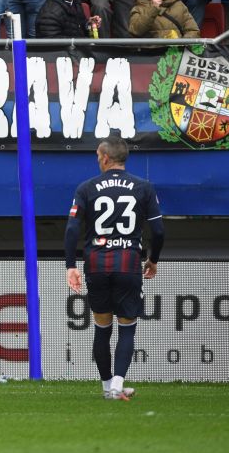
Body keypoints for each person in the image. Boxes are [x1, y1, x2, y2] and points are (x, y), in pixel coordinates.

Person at [64, 135, 163, 401]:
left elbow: (72, 228)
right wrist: (153, 259)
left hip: (96, 264)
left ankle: (108, 386)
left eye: (98, 156)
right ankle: (118, 384)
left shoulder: (86, 188)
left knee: (102, 328)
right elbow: (158, 230)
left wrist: (71, 266)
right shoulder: (144, 187)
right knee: (127, 327)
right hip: (128, 263)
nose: (98, 160)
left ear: (105, 157)